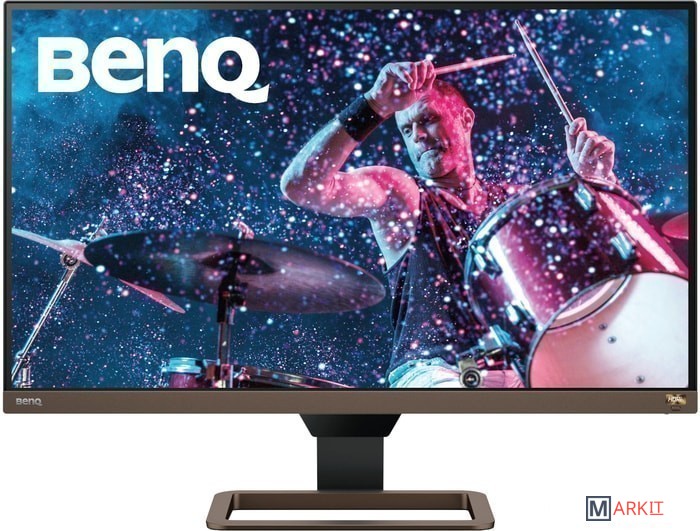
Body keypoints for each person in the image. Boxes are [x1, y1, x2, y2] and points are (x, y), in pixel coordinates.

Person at [280, 59, 616, 388]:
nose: (418, 136)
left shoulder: (512, 203)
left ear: (465, 119)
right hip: (434, 372)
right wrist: (374, 104)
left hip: (520, 370)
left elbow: (593, 269)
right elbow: (300, 186)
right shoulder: (403, 197)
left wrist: (597, 184)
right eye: (407, 130)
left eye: (427, 120)